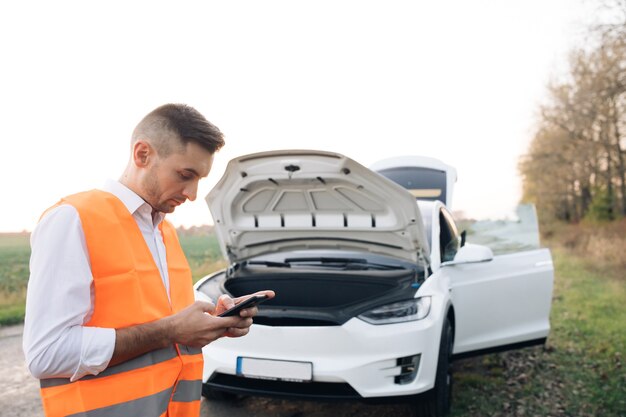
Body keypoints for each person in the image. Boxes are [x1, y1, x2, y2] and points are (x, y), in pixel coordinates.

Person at [23, 103, 274, 417]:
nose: (193, 193)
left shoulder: (163, 231)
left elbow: (163, 313)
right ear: (142, 155)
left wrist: (213, 319)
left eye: (200, 179)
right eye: (185, 175)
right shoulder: (72, 220)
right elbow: (46, 353)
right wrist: (170, 331)